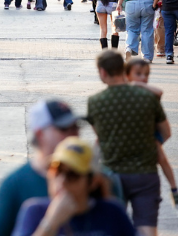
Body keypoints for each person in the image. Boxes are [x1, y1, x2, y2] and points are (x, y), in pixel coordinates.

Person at [87, 50, 170, 236]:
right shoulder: (147, 97)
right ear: (124, 70)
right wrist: (150, 142)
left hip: (112, 175)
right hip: (145, 174)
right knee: (147, 226)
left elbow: (100, 137)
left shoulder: (95, 102)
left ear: (102, 72)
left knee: (114, 227)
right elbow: (166, 132)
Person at [0, 99, 81, 236]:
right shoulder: (14, 185)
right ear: (40, 134)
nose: (73, 135)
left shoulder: (98, 180)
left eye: (76, 127)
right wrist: (50, 224)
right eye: (64, 128)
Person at [11, 137, 136, 236]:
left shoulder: (111, 212)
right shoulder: (35, 212)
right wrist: (50, 223)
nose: (62, 181)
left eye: (72, 175)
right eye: (56, 171)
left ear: (92, 182)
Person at [124, 57, 178, 204]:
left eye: (146, 75)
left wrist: (137, 84)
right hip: (132, 132)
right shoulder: (123, 90)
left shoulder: (147, 91)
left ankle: (174, 188)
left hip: (150, 131)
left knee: (161, 157)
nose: (143, 78)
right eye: (138, 74)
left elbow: (159, 92)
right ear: (127, 74)